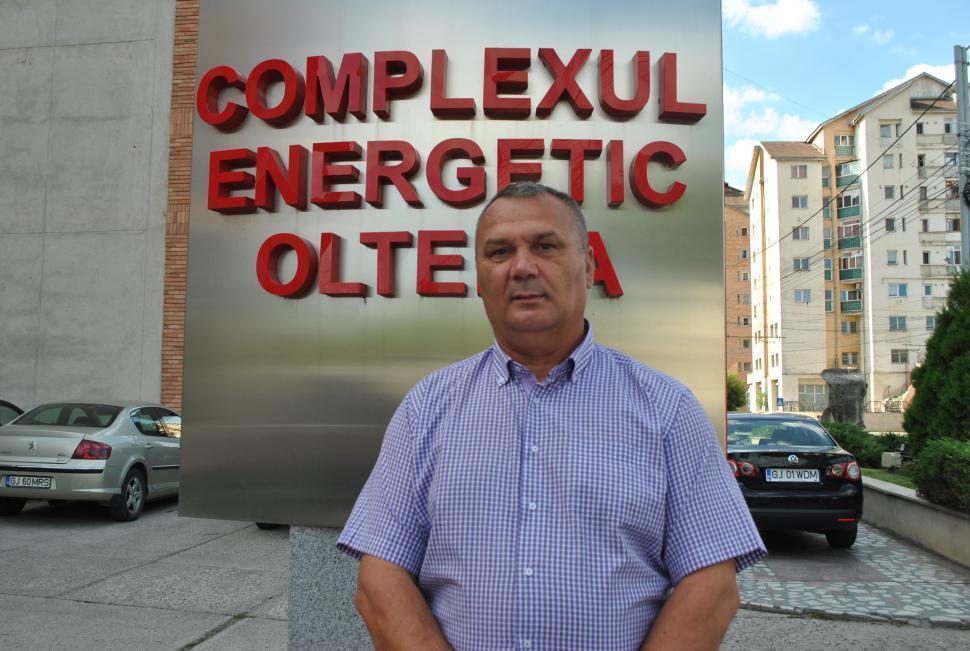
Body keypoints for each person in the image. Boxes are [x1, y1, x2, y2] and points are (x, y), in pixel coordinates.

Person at [337, 182, 766, 650]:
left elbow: (712, 585)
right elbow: (380, 580)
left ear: (588, 266)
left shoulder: (667, 409)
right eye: (500, 252)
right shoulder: (427, 406)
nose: (522, 267)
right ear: (479, 278)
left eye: (545, 246)